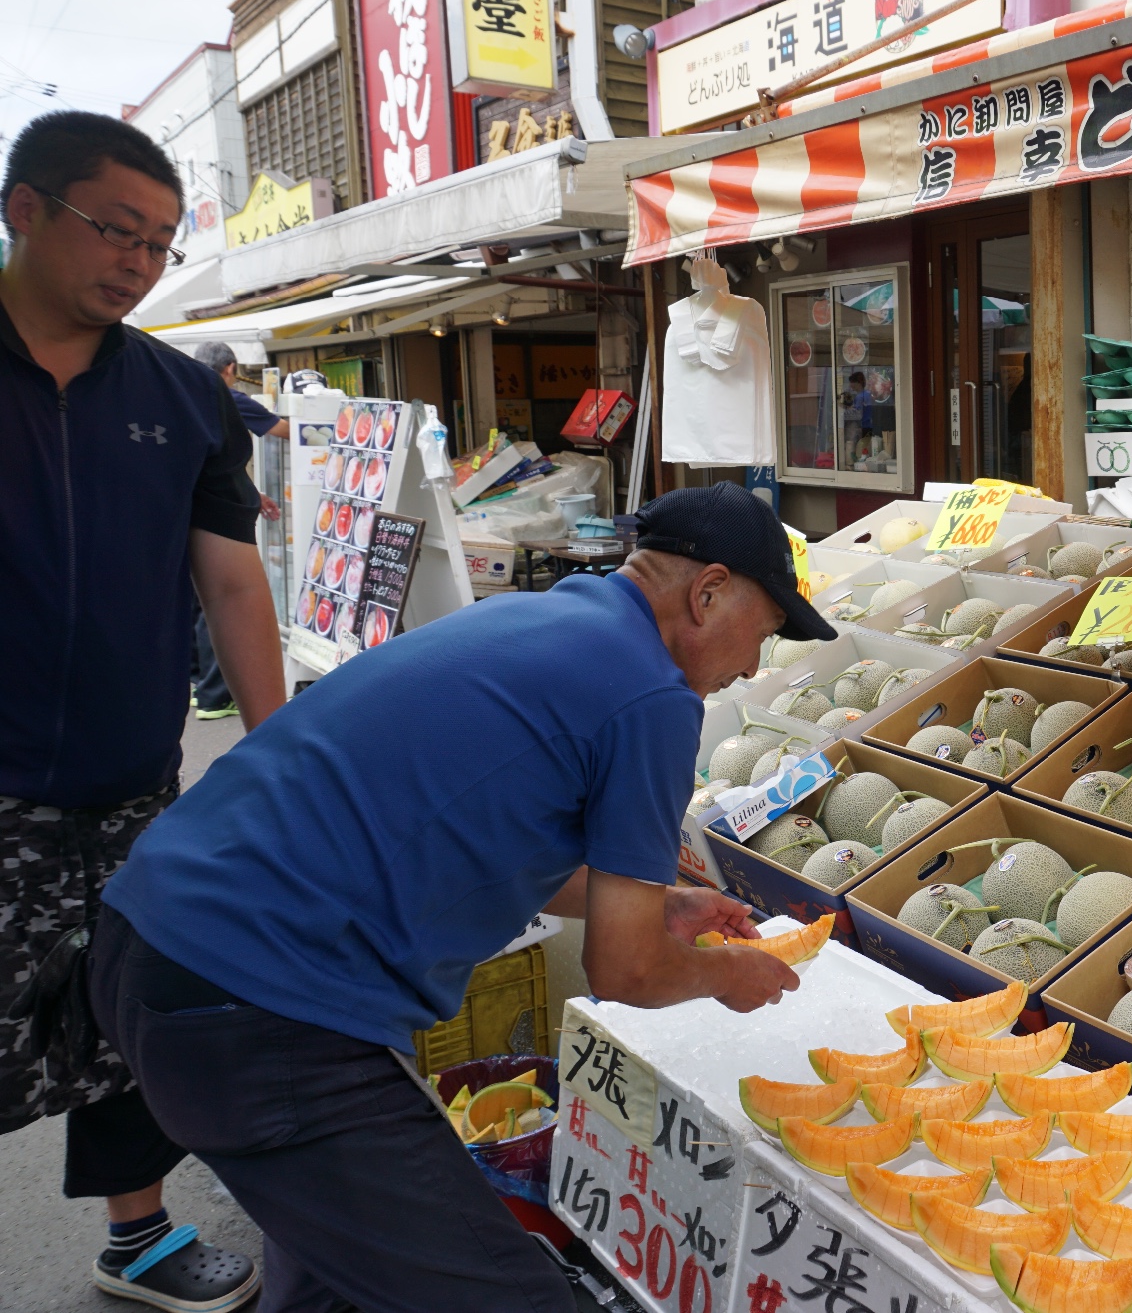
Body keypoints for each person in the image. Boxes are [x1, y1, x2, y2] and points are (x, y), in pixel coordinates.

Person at [96, 482, 835, 1312]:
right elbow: (625, 972)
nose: (753, 668)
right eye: (763, 634)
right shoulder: (652, 693)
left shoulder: (545, 622)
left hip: (150, 944)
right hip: (261, 1006)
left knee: (329, 1280)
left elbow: (494, 840)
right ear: (707, 593)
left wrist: (661, 910)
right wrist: (726, 974)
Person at [0, 111, 282, 1311]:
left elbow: (229, 575)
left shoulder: (183, 396)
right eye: (114, 228)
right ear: (25, 209)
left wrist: (284, 747)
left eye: (159, 243)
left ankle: (141, 1237)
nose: (134, 260)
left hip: (129, 778)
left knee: (134, 1002)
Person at [187, 341, 284, 721]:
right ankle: (214, 696)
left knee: (200, 604)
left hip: (188, 513)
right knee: (221, 599)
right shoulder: (222, 397)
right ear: (229, 368)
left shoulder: (182, 391)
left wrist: (250, 492)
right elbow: (285, 430)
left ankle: (202, 688)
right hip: (213, 520)